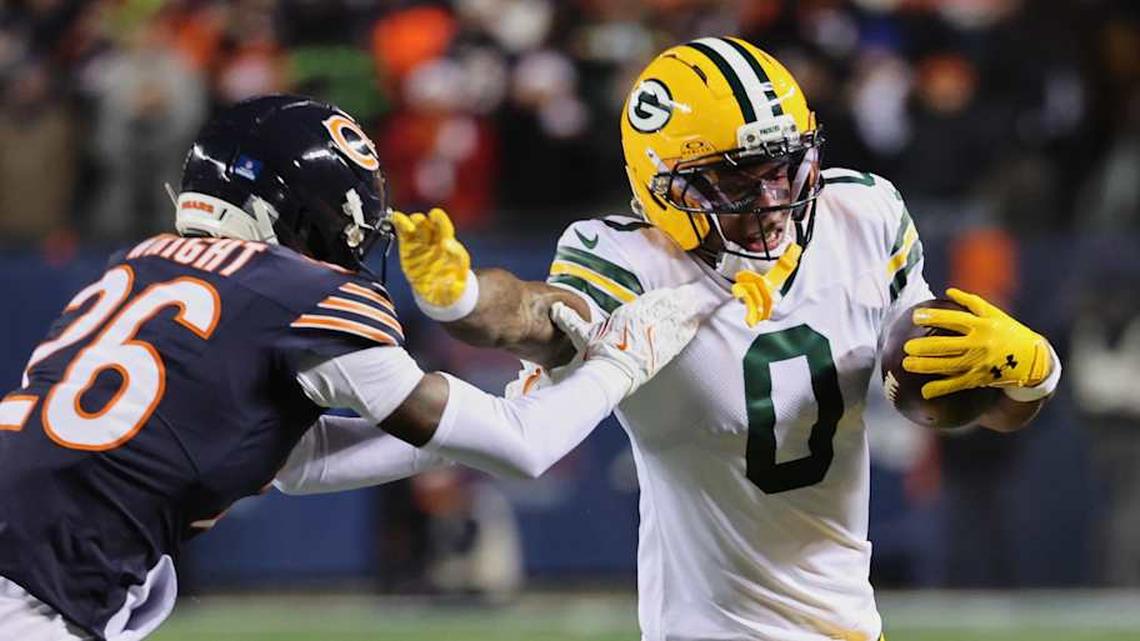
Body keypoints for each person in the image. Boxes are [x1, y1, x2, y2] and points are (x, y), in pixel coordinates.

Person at [385, 38, 1063, 641]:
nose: (770, 199)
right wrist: (464, 296)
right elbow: (538, 316)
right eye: (736, 178)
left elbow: (949, 397)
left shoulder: (864, 216)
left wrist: (1031, 374)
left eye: (781, 167)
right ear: (661, 187)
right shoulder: (632, 261)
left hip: (850, 626)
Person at [0, 95, 708, 641]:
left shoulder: (141, 266)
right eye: (342, 224)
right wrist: (622, 360)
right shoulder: (296, 294)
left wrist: (479, 415)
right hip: (33, 596)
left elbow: (292, 459)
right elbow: (523, 444)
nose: (350, 246)